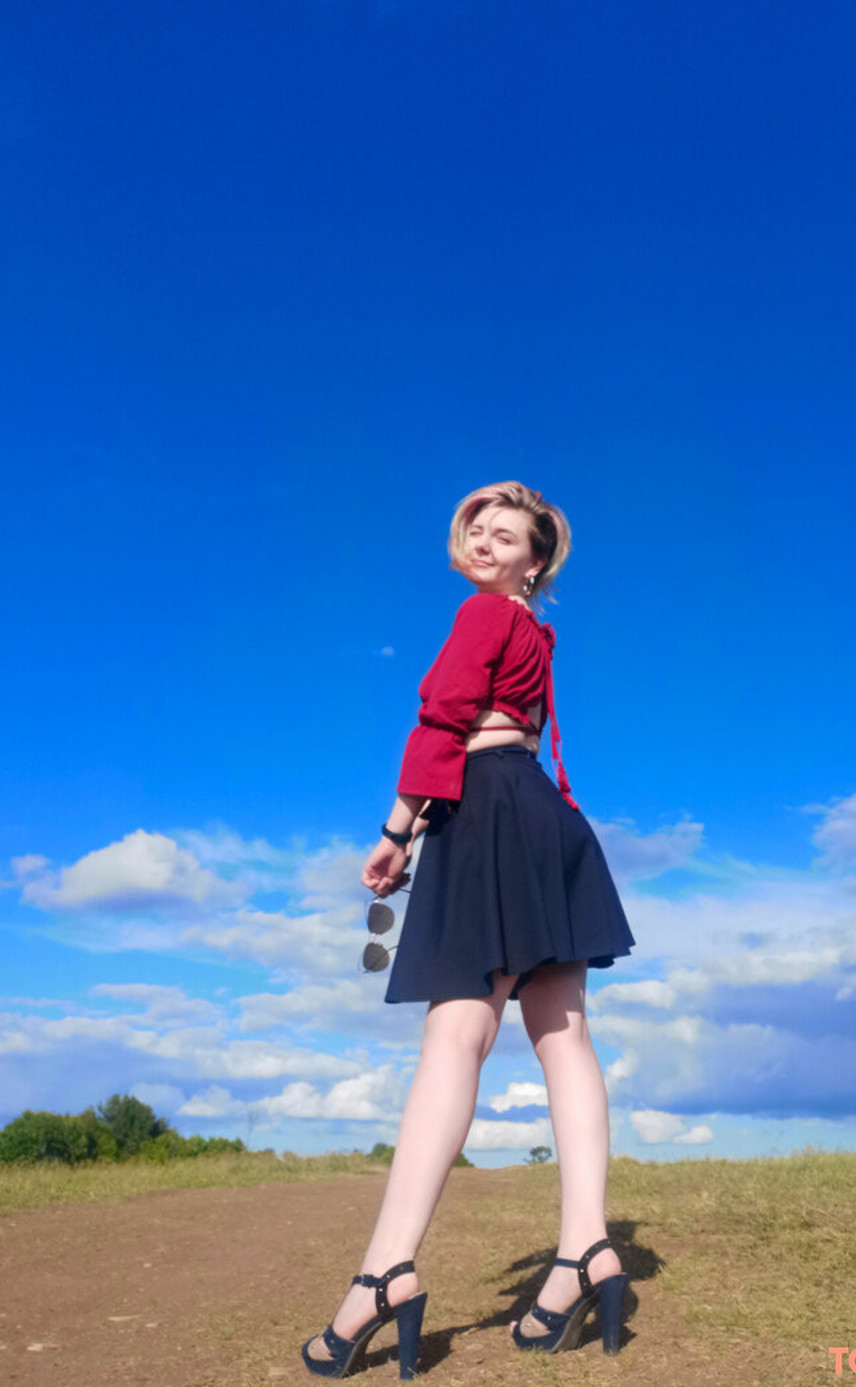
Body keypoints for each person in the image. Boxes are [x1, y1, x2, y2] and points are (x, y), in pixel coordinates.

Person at [301, 481, 636, 1379]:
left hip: (485, 813)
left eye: (506, 535)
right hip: (544, 816)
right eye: (478, 529)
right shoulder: (536, 633)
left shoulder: (485, 614)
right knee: (564, 1036)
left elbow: (444, 716)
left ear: (536, 560)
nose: (485, 542)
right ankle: (586, 1250)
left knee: (455, 1037)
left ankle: (384, 1272)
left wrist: (395, 831)